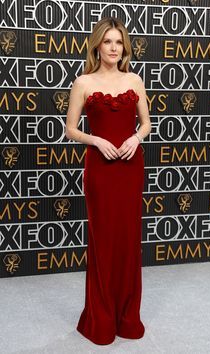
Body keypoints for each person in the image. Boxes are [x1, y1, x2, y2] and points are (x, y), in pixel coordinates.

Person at [65, 16, 151, 345]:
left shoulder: (134, 79)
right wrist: (96, 140)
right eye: (108, 42)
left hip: (130, 167)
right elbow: (70, 129)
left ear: (124, 47)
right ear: (97, 46)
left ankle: (128, 316)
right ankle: (100, 318)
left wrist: (136, 139)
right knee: (103, 241)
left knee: (128, 240)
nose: (113, 48)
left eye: (119, 42)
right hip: (100, 169)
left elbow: (146, 123)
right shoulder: (83, 83)